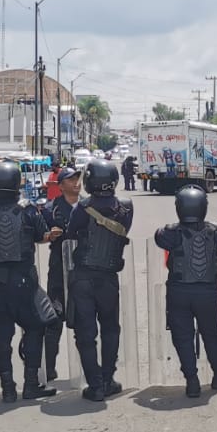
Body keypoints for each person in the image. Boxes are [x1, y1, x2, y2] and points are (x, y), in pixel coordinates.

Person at [0, 160, 61, 402]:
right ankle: (31, 383)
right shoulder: (28, 209)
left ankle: (7, 386)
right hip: (24, 282)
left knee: (0, 336)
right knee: (37, 326)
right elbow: (41, 235)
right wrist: (50, 235)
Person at [154, 185, 217, 397]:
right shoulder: (215, 230)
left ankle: (192, 381)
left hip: (179, 291)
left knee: (182, 336)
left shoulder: (170, 232)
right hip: (207, 292)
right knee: (212, 335)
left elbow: (159, 238)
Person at [63, 160, 134, 401]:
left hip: (83, 276)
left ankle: (95, 386)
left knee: (86, 333)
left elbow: (71, 233)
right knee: (111, 329)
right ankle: (107, 379)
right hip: (108, 278)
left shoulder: (82, 208)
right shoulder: (126, 208)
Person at [39, 166, 83, 384]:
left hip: (84, 271)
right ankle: (49, 367)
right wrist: (49, 235)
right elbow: (40, 235)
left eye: (77, 178)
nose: (76, 182)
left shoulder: (88, 207)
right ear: (61, 185)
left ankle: (87, 368)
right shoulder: (50, 210)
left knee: (84, 320)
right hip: (58, 269)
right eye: (70, 179)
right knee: (53, 319)